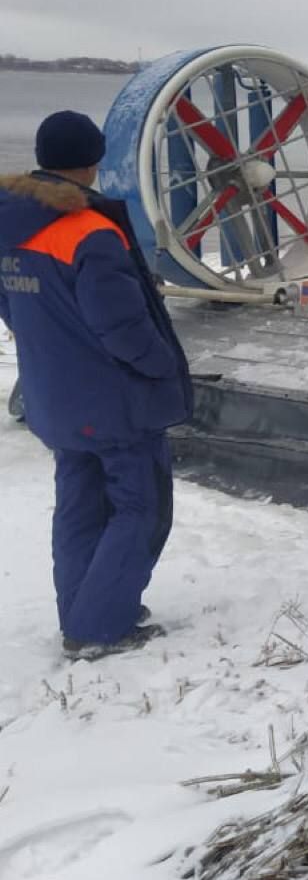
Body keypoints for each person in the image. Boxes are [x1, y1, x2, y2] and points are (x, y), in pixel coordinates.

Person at [0, 111, 193, 659]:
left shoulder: (11, 224)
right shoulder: (91, 231)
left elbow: (11, 305)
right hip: (115, 402)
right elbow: (123, 326)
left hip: (52, 395)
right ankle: (102, 626)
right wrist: (162, 367)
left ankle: (83, 611)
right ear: (92, 161)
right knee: (141, 508)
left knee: (79, 505)